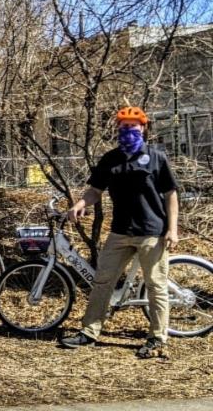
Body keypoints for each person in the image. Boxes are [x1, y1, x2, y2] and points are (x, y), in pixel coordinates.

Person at [59, 106, 179, 359]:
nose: (128, 130)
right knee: (102, 281)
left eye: (133, 126)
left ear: (143, 128)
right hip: (120, 232)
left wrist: (172, 229)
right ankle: (89, 332)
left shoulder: (156, 157)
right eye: (124, 126)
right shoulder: (110, 159)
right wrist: (80, 203)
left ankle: (157, 338)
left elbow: (171, 194)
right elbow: (95, 190)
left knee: (156, 285)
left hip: (152, 232)